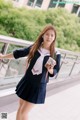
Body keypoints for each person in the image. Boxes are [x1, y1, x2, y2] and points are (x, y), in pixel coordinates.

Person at [0, 24, 61, 120]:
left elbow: (56, 71)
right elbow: (20, 53)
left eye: (52, 35)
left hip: (38, 86)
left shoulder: (56, 54)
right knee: (20, 109)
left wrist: (50, 70)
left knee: (24, 112)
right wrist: (3, 56)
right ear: (43, 35)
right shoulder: (36, 47)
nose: (49, 37)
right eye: (47, 34)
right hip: (27, 81)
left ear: (54, 38)